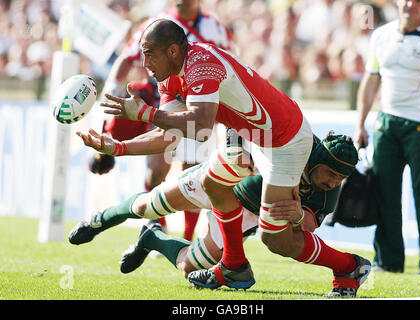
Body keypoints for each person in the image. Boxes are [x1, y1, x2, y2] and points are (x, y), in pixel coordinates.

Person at [77, 19, 314, 290]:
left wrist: (145, 113)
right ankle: (233, 264)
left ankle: (350, 269)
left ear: (173, 52)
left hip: (283, 141)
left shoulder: (200, 64)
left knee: (276, 239)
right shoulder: (170, 78)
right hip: (249, 141)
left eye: (149, 53)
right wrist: (118, 147)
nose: (144, 63)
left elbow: (200, 128)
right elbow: (167, 137)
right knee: (194, 217)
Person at [69, 131, 370, 297]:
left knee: (189, 267)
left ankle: (152, 238)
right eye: (329, 174)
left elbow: (308, 226)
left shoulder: (331, 190)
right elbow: (243, 124)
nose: (332, 182)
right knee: (147, 205)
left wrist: (295, 217)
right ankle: (100, 219)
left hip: (248, 214)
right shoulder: (293, 143)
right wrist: (236, 150)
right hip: (224, 180)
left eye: (339, 179)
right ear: (317, 159)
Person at [92, 0, 234, 241]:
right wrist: (113, 87)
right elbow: (127, 57)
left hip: (200, 102)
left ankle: (187, 238)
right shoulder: (155, 25)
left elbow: (229, 59)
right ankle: (156, 228)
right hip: (164, 99)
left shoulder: (215, 27)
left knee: (192, 172)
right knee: (155, 172)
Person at [354, 0, 420, 274]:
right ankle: (387, 262)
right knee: (384, 193)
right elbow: (370, 79)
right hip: (386, 123)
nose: (409, 4)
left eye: (418, 1)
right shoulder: (381, 34)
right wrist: (360, 124)